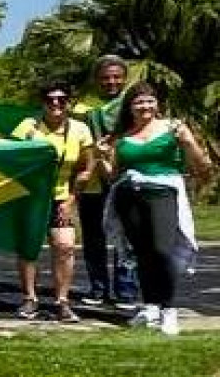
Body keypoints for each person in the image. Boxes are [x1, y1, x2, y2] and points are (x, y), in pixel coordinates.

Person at [96, 82, 213, 337]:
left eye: (150, 101)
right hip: (128, 195)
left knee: (162, 251)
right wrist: (102, 157)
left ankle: (168, 311)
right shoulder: (122, 136)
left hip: (163, 192)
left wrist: (189, 144)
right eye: (139, 102)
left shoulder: (174, 128)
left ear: (157, 104)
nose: (145, 106)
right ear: (130, 106)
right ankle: (150, 307)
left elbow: (203, 167)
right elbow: (113, 175)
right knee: (143, 253)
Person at [12, 81, 93, 323]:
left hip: (61, 197)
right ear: (42, 103)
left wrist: (72, 199)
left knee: (65, 246)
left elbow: (86, 168)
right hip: (30, 197)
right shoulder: (28, 127)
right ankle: (29, 298)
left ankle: (62, 301)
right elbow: (12, 160)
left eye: (61, 99)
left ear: (68, 102)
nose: (56, 103)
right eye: (50, 99)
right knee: (29, 249)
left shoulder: (80, 129)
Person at [74, 54, 133, 305]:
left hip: (124, 178)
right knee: (93, 235)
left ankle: (126, 290)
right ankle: (98, 288)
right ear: (97, 79)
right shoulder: (82, 107)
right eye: (106, 77)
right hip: (92, 181)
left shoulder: (133, 104)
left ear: (124, 78)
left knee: (125, 234)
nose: (111, 82)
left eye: (116, 77)